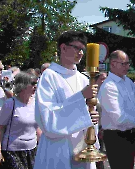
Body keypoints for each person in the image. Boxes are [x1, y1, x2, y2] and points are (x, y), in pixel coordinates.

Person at [34, 30, 100, 169]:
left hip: (82, 146)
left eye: (83, 49)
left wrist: (92, 119)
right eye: (77, 48)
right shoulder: (49, 77)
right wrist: (81, 96)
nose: (81, 53)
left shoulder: (84, 79)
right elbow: (48, 118)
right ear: (63, 48)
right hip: (58, 149)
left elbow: (88, 113)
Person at [97, 50, 135, 169]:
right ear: (113, 64)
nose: (127, 66)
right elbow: (118, 117)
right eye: (123, 64)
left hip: (129, 134)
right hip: (116, 136)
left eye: (128, 63)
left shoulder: (126, 81)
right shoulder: (109, 86)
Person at [0, 72, 42, 169]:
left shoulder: (36, 103)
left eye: (36, 83)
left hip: (32, 151)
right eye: (32, 83)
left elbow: (37, 128)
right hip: (12, 151)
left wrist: (45, 146)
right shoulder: (11, 104)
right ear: (22, 85)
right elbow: (0, 128)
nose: (35, 86)